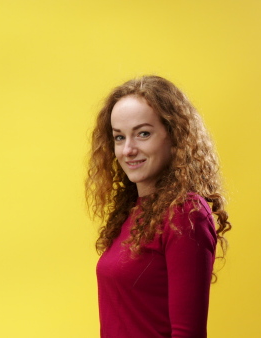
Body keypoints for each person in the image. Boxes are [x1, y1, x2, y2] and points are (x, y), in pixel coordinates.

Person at [86, 75, 231, 337]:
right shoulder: (132, 211)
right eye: (119, 137)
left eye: (143, 134)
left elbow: (188, 333)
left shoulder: (187, 214)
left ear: (174, 137)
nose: (128, 149)